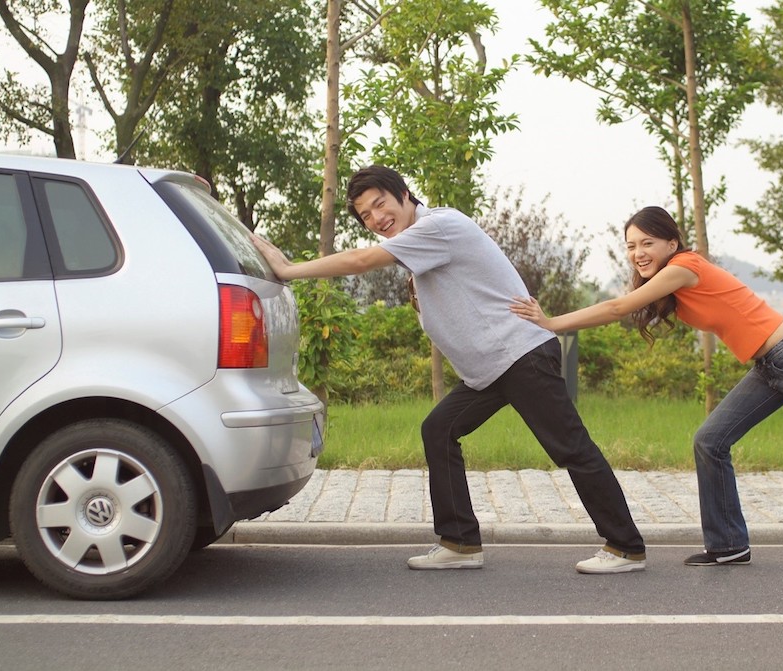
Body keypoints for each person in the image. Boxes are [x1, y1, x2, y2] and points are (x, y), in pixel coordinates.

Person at [250, 165, 645, 574]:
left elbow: (360, 260)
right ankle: (459, 542)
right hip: (490, 370)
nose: (377, 219)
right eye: (366, 216)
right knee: (439, 429)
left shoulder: (439, 224)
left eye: (380, 204)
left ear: (405, 193)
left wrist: (288, 270)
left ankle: (625, 547)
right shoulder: (418, 249)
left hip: (519, 355)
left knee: (571, 448)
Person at [511, 205, 783, 575]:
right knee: (710, 440)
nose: (638, 253)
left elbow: (618, 307)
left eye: (647, 243)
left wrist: (551, 323)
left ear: (671, 243)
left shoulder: (685, 267)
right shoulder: (671, 278)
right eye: (631, 245)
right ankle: (728, 544)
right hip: (771, 364)